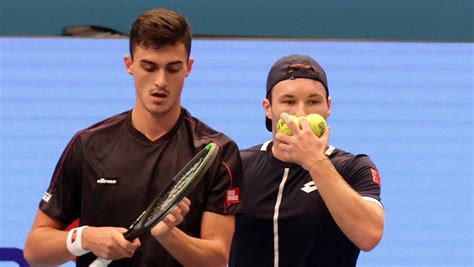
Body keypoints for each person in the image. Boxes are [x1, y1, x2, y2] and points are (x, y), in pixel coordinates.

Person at [24, 8, 242, 267]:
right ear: (129, 65)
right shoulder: (88, 144)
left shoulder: (218, 151)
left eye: (172, 69)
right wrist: (85, 238)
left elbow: (217, 259)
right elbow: (34, 251)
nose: (160, 81)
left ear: (188, 68)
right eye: (149, 67)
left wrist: (169, 235)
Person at [230, 54, 384, 266]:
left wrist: (314, 160)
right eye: (288, 101)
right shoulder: (236, 166)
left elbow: (369, 235)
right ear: (268, 107)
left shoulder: (353, 167)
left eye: (313, 101)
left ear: (328, 106)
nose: (301, 114)